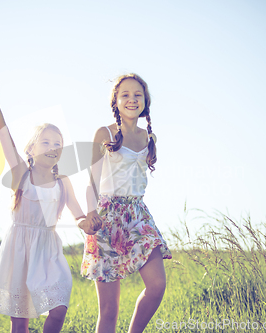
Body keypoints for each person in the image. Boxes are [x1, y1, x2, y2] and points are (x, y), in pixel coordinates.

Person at [0, 73, 99, 333]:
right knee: (20, 318)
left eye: (58, 144)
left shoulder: (63, 181)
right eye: (45, 142)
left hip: (48, 250)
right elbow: (3, 132)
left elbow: (77, 214)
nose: (53, 147)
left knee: (59, 307)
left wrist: (86, 223)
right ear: (30, 149)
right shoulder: (22, 174)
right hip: (19, 248)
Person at [81, 73, 173, 333]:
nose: (132, 99)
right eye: (125, 94)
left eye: (137, 95)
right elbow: (92, 182)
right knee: (109, 310)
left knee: (156, 286)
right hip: (107, 217)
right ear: (116, 101)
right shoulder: (104, 133)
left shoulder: (149, 139)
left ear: (145, 101)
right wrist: (90, 213)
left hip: (138, 216)